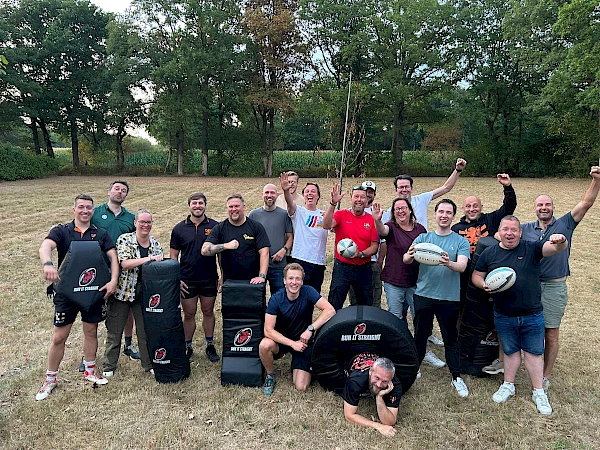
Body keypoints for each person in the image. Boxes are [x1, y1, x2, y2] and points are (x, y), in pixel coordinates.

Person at [472, 216, 568, 415]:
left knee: (534, 353)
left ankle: (538, 392)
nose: (510, 233)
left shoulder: (531, 248)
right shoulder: (490, 253)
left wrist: (561, 241)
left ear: (520, 232)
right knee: (510, 351)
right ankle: (508, 385)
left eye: (514, 230)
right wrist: (483, 285)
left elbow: (555, 248)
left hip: (532, 314)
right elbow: (476, 275)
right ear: (499, 232)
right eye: (506, 229)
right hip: (504, 314)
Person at [520, 165, 600, 393]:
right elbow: (503, 234)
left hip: (555, 287)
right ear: (534, 208)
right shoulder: (525, 229)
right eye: (540, 205)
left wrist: (596, 181)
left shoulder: (565, 223)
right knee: (526, 329)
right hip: (530, 287)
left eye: (547, 204)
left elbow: (585, 203)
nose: (544, 208)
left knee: (551, 332)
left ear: (553, 207)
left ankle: (545, 376)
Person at [36, 194, 119, 400]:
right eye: (81, 207)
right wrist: (48, 264)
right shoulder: (61, 231)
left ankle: (90, 371)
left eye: (88, 207)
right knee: (59, 337)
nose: (85, 211)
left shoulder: (100, 234)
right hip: (66, 293)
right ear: (74, 209)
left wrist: (113, 281)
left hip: (93, 292)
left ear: (93, 211)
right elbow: (45, 246)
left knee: (91, 331)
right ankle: (50, 379)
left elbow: (113, 258)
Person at [382, 158, 467, 354]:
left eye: (407, 186)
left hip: (424, 265)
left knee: (420, 310)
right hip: (402, 265)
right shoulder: (392, 212)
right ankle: (405, 345)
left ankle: (426, 338)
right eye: (400, 187)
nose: (404, 190)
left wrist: (457, 170)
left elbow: (446, 188)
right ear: (396, 190)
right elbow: (384, 236)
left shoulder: (421, 199)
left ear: (411, 188)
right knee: (400, 311)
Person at [403, 199, 471, 397]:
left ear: (453, 216)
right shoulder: (423, 238)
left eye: (448, 212)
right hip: (423, 295)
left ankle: (456, 377)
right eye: (441, 211)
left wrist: (449, 263)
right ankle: (414, 369)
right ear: (435, 214)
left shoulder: (460, 241)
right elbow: (406, 259)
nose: (444, 215)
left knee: (450, 338)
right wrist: (409, 255)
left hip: (449, 297)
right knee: (420, 335)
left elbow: (462, 267)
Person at [451, 174, 517, 375]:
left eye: (475, 206)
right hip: (465, 277)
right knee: (461, 311)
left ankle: (496, 352)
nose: (472, 209)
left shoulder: (491, 220)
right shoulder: (456, 229)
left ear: (481, 207)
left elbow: (509, 207)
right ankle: (460, 345)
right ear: (463, 209)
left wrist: (507, 187)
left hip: (490, 275)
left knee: (494, 313)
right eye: (468, 206)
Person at [102, 209, 162, 378]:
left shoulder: (155, 244)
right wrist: (149, 259)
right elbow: (125, 263)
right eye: (142, 222)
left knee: (144, 332)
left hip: (144, 294)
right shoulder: (125, 239)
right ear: (135, 223)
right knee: (115, 332)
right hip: (122, 291)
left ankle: (148, 364)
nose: (145, 225)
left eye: (148, 222)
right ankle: (109, 366)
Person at [259, 263, 335, 395]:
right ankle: (270, 375)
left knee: (301, 386)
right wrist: (292, 344)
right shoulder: (276, 299)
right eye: (290, 278)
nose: (294, 282)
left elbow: (330, 310)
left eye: (298, 279)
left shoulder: (308, 291)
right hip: (282, 341)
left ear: (302, 281)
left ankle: (303, 365)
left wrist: (310, 329)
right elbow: (268, 331)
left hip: (303, 342)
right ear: (284, 280)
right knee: (264, 345)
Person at [170, 193, 221, 361]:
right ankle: (187, 346)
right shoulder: (179, 228)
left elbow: (220, 255)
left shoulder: (215, 226)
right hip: (187, 280)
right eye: (194, 203)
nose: (197, 206)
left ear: (205, 205)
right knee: (189, 314)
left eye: (200, 203)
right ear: (189, 206)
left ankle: (209, 345)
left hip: (209, 278)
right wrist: (176, 278)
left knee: (208, 311)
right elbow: (173, 256)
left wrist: (222, 276)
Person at [91, 180, 139, 362]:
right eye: (117, 189)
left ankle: (128, 344)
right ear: (109, 191)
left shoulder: (130, 217)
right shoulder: (95, 213)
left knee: (126, 308)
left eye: (123, 190)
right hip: (99, 268)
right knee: (94, 311)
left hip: (124, 271)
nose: (120, 192)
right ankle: (89, 353)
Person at [323, 184, 379, 310]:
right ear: (351, 198)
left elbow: (374, 246)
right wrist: (333, 204)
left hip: (363, 268)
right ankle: (332, 323)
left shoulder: (371, 219)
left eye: (362, 197)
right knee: (334, 303)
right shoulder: (341, 214)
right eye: (356, 196)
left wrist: (361, 254)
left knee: (365, 305)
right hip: (342, 267)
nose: (359, 200)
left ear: (367, 200)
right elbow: (326, 225)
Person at [372, 199, 426, 325]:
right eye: (397, 209)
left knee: (418, 315)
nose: (400, 211)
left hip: (415, 282)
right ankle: (398, 338)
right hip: (394, 281)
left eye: (403, 208)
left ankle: (419, 338)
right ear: (393, 212)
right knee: (395, 317)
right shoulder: (391, 227)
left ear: (410, 210)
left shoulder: (420, 229)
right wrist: (377, 220)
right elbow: (382, 230)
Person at [201, 194, 270, 284]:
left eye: (237, 206)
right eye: (231, 207)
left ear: (244, 207)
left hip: (253, 281)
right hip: (229, 281)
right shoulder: (220, 228)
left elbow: (264, 252)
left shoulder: (256, 226)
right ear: (227, 209)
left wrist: (262, 276)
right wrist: (225, 246)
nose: (234, 209)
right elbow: (204, 250)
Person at [279, 172, 328, 292]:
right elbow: (290, 202)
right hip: (300, 259)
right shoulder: (298, 211)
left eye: (313, 191)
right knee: (297, 294)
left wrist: (332, 206)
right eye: (307, 191)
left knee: (313, 296)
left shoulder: (324, 215)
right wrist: (286, 191)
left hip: (318, 262)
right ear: (304, 195)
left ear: (318, 196)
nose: (310, 193)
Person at [249, 184, 293, 294]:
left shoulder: (284, 215)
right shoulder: (253, 215)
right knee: (257, 297)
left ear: (277, 195)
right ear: (262, 194)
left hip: (278, 266)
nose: (269, 195)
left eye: (272, 193)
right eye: (267, 192)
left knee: (279, 297)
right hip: (258, 265)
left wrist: (284, 250)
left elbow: (290, 237)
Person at [342, 354, 402, 436]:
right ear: (370, 371)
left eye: (384, 381)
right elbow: (349, 416)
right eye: (377, 378)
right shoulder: (355, 381)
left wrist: (379, 397)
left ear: (391, 379)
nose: (379, 384)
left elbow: (389, 422)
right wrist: (378, 426)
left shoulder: (395, 385)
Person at [348, 180, 383, 308]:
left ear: (374, 194)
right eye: (365, 192)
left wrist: (380, 261)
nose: (368, 195)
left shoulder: (379, 213)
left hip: (372, 263)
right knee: (355, 300)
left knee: (373, 300)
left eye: (370, 192)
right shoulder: (349, 212)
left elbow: (383, 241)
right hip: (353, 263)